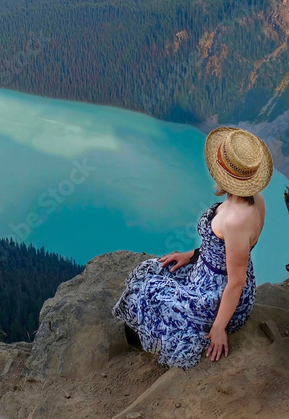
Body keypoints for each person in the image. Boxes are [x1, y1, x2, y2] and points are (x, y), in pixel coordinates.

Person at [111, 126, 271, 368]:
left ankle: (143, 348)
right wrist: (193, 255)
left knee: (152, 290)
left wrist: (218, 328)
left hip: (218, 293)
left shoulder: (237, 220)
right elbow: (222, 249)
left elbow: (236, 281)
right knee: (154, 269)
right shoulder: (255, 198)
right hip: (209, 273)